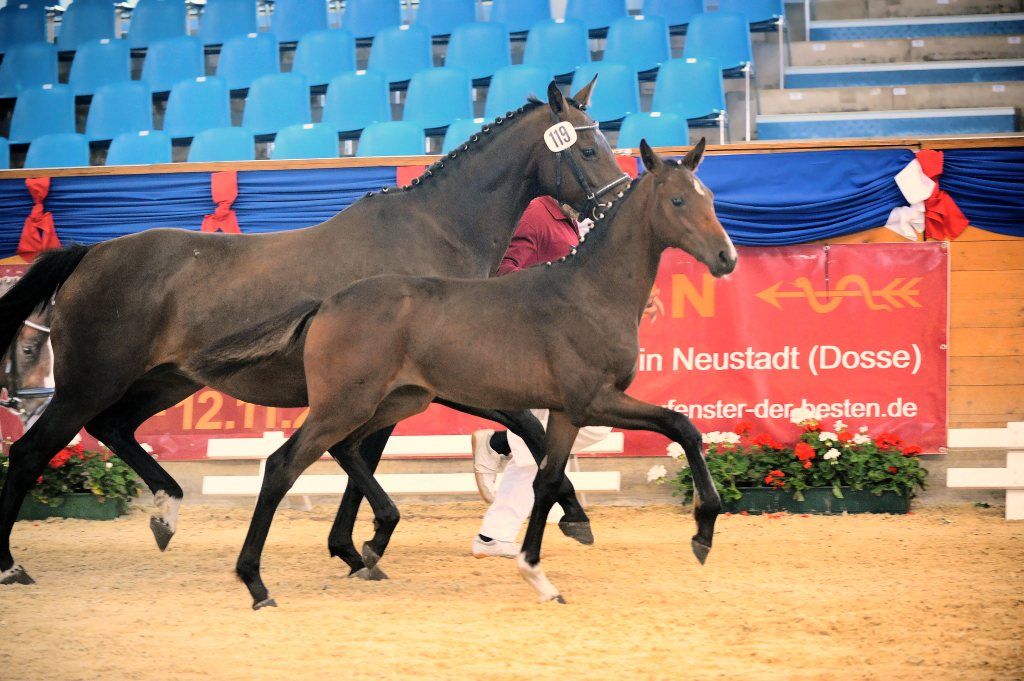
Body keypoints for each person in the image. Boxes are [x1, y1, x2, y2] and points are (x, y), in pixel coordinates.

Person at [471, 196, 613, 559]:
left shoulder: (572, 222)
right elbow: (501, 276)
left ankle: (500, 444)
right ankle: (493, 535)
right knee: (537, 451)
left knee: (593, 427)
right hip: (528, 347)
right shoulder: (537, 215)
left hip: (556, 349)